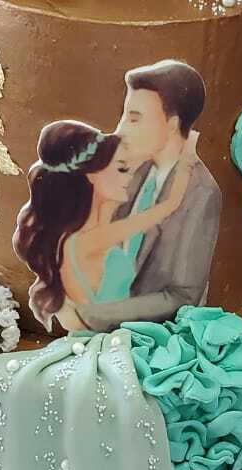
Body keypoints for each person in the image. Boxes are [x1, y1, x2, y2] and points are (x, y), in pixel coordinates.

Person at [73, 59, 222, 332]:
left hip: (140, 337)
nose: (121, 130)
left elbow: (182, 296)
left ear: (171, 125)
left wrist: (93, 315)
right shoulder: (130, 173)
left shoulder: (201, 193)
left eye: (134, 118)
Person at [13, 119, 197, 332]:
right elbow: (170, 205)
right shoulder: (85, 241)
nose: (129, 176)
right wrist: (188, 151)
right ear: (91, 175)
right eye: (122, 169)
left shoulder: (87, 229)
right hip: (105, 342)